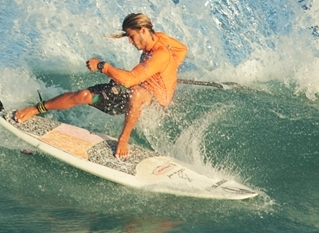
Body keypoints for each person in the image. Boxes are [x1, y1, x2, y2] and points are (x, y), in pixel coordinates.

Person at [14, 13, 188, 158]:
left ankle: (123, 139)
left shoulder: (160, 54)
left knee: (136, 93)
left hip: (154, 103)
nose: (130, 42)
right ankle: (37, 109)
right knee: (83, 96)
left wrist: (102, 66)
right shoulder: (161, 38)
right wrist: (169, 70)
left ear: (143, 30)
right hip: (136, 89)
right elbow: (182, 50)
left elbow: (129, 80)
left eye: (132, 36)